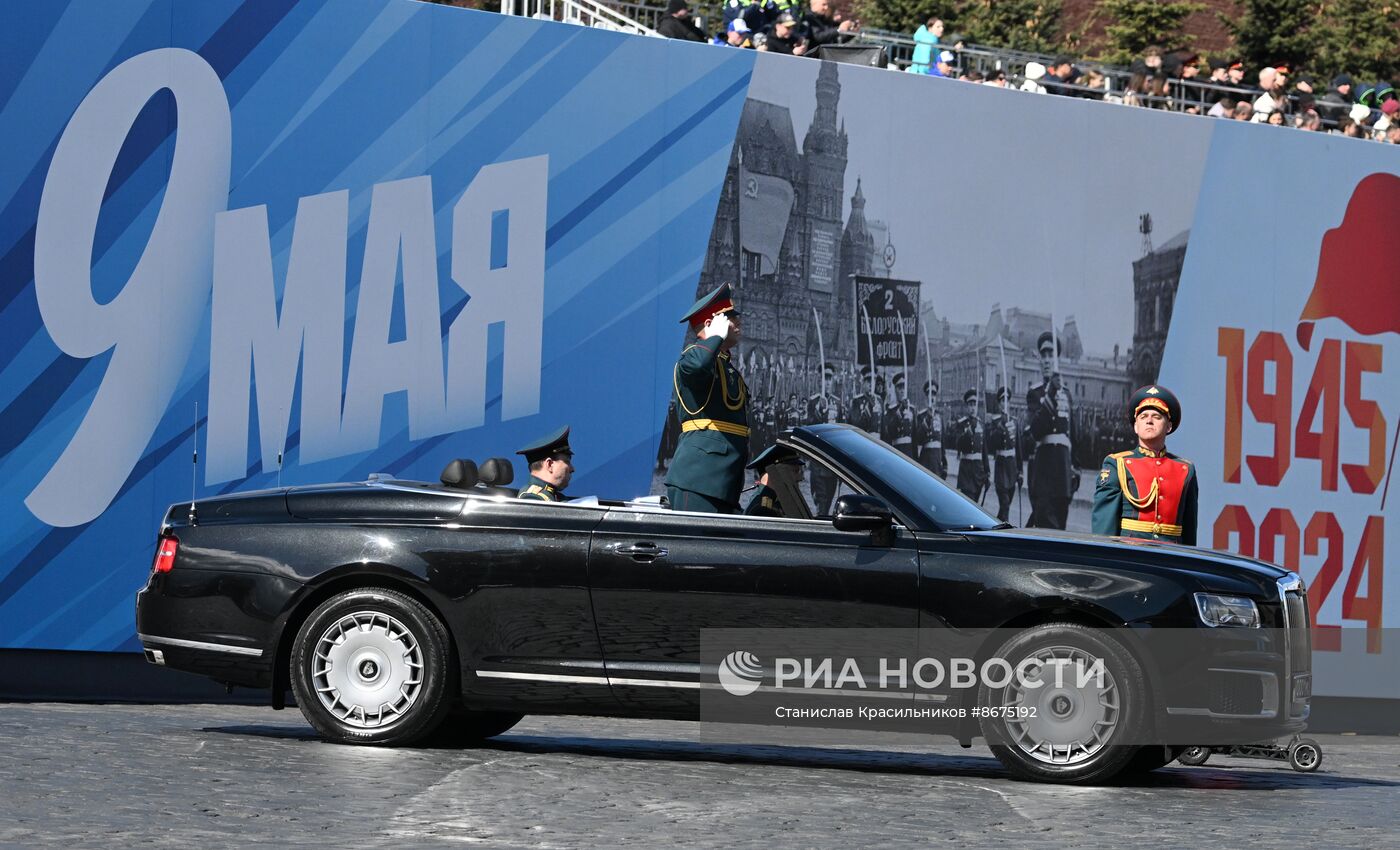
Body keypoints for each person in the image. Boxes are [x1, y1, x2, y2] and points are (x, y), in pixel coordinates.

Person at [665, 283, 749, 513]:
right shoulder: (692, 357)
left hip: (724, 481)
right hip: (699, 480)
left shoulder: (726, 367)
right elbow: (698, 366)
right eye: (730, 318)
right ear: (712, 325)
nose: (738, 321)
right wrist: (714, 338)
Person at [1091, 386, 1197, 545]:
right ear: (1135, 426)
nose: (1149, 420)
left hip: (1172, 557)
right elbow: (1104, 528)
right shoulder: (1117, 463)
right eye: (1143, 416)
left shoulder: (1185, 469)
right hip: (1131, 556)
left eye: (1156, 416)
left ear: (1168, 426)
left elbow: (1189, 528)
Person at [1026, 331, 1076, 529]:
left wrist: (1077, 468)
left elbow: (1074, 433)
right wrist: (1050, 395)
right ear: (1039, 360)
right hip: (1043, 471)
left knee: (1060, 531)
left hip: (1063, 472)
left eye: (1051, 356)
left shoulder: (1067, 394)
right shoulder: (1035, 394)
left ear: (1057, 360)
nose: (1047, 360)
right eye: (1043, 355)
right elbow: (1035, 431)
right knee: (1046, 528)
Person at [985, 387, 1021, 523]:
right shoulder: (994, 423)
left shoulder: (1014, 421)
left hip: (1012, 468)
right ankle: (1006, 532)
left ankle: (996, 525)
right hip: (1000, 468)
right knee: (1005, 503)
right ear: (999, 404)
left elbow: (1019, 448)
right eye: (1002, 401)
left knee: (1005, 507)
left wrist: (1021, 471)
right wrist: (1000, 428)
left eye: (1007, 400)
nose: (1005, 403)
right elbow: (991, 444)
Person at [743, 444, 806, 517]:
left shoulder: (778, 503)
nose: (800, 478)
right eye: (795, 471)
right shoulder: (763, 510)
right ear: (774, 473)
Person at [949, 388, 988, 502]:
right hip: (966, 472)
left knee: (975, 504)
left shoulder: (981, 423)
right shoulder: (961, 424)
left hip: (979, 473)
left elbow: (984, 450)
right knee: (968, 503)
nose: (972, 407)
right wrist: (967, 434)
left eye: (974, 404)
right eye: (970, 404)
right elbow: (958, 444)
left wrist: (987, 471)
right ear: (967, 406)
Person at [516, 426, 574, 501]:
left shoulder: (556, 496)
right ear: (549, 464)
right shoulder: (533, 498)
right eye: (567, 462)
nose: (572, 469)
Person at [914, 378, 947, 478]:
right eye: (929, 394)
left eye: (934, 394)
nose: (931, 397)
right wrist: (927, 420)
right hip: (926, 459)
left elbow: (943, 442)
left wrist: (944, 464)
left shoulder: (939, 416)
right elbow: (918, 438)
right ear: (925, 397)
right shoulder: (921, 416)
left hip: (937, 460)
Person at [882, 372, 916, 458]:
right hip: (896, 451)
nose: (902, 391)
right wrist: (900, 412)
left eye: (904, 388)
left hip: (909, 453)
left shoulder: (912, 410)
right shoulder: (891, 410)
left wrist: (915, 458)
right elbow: (889, 432)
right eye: (899, 388)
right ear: (895, 389)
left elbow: (915, 438)